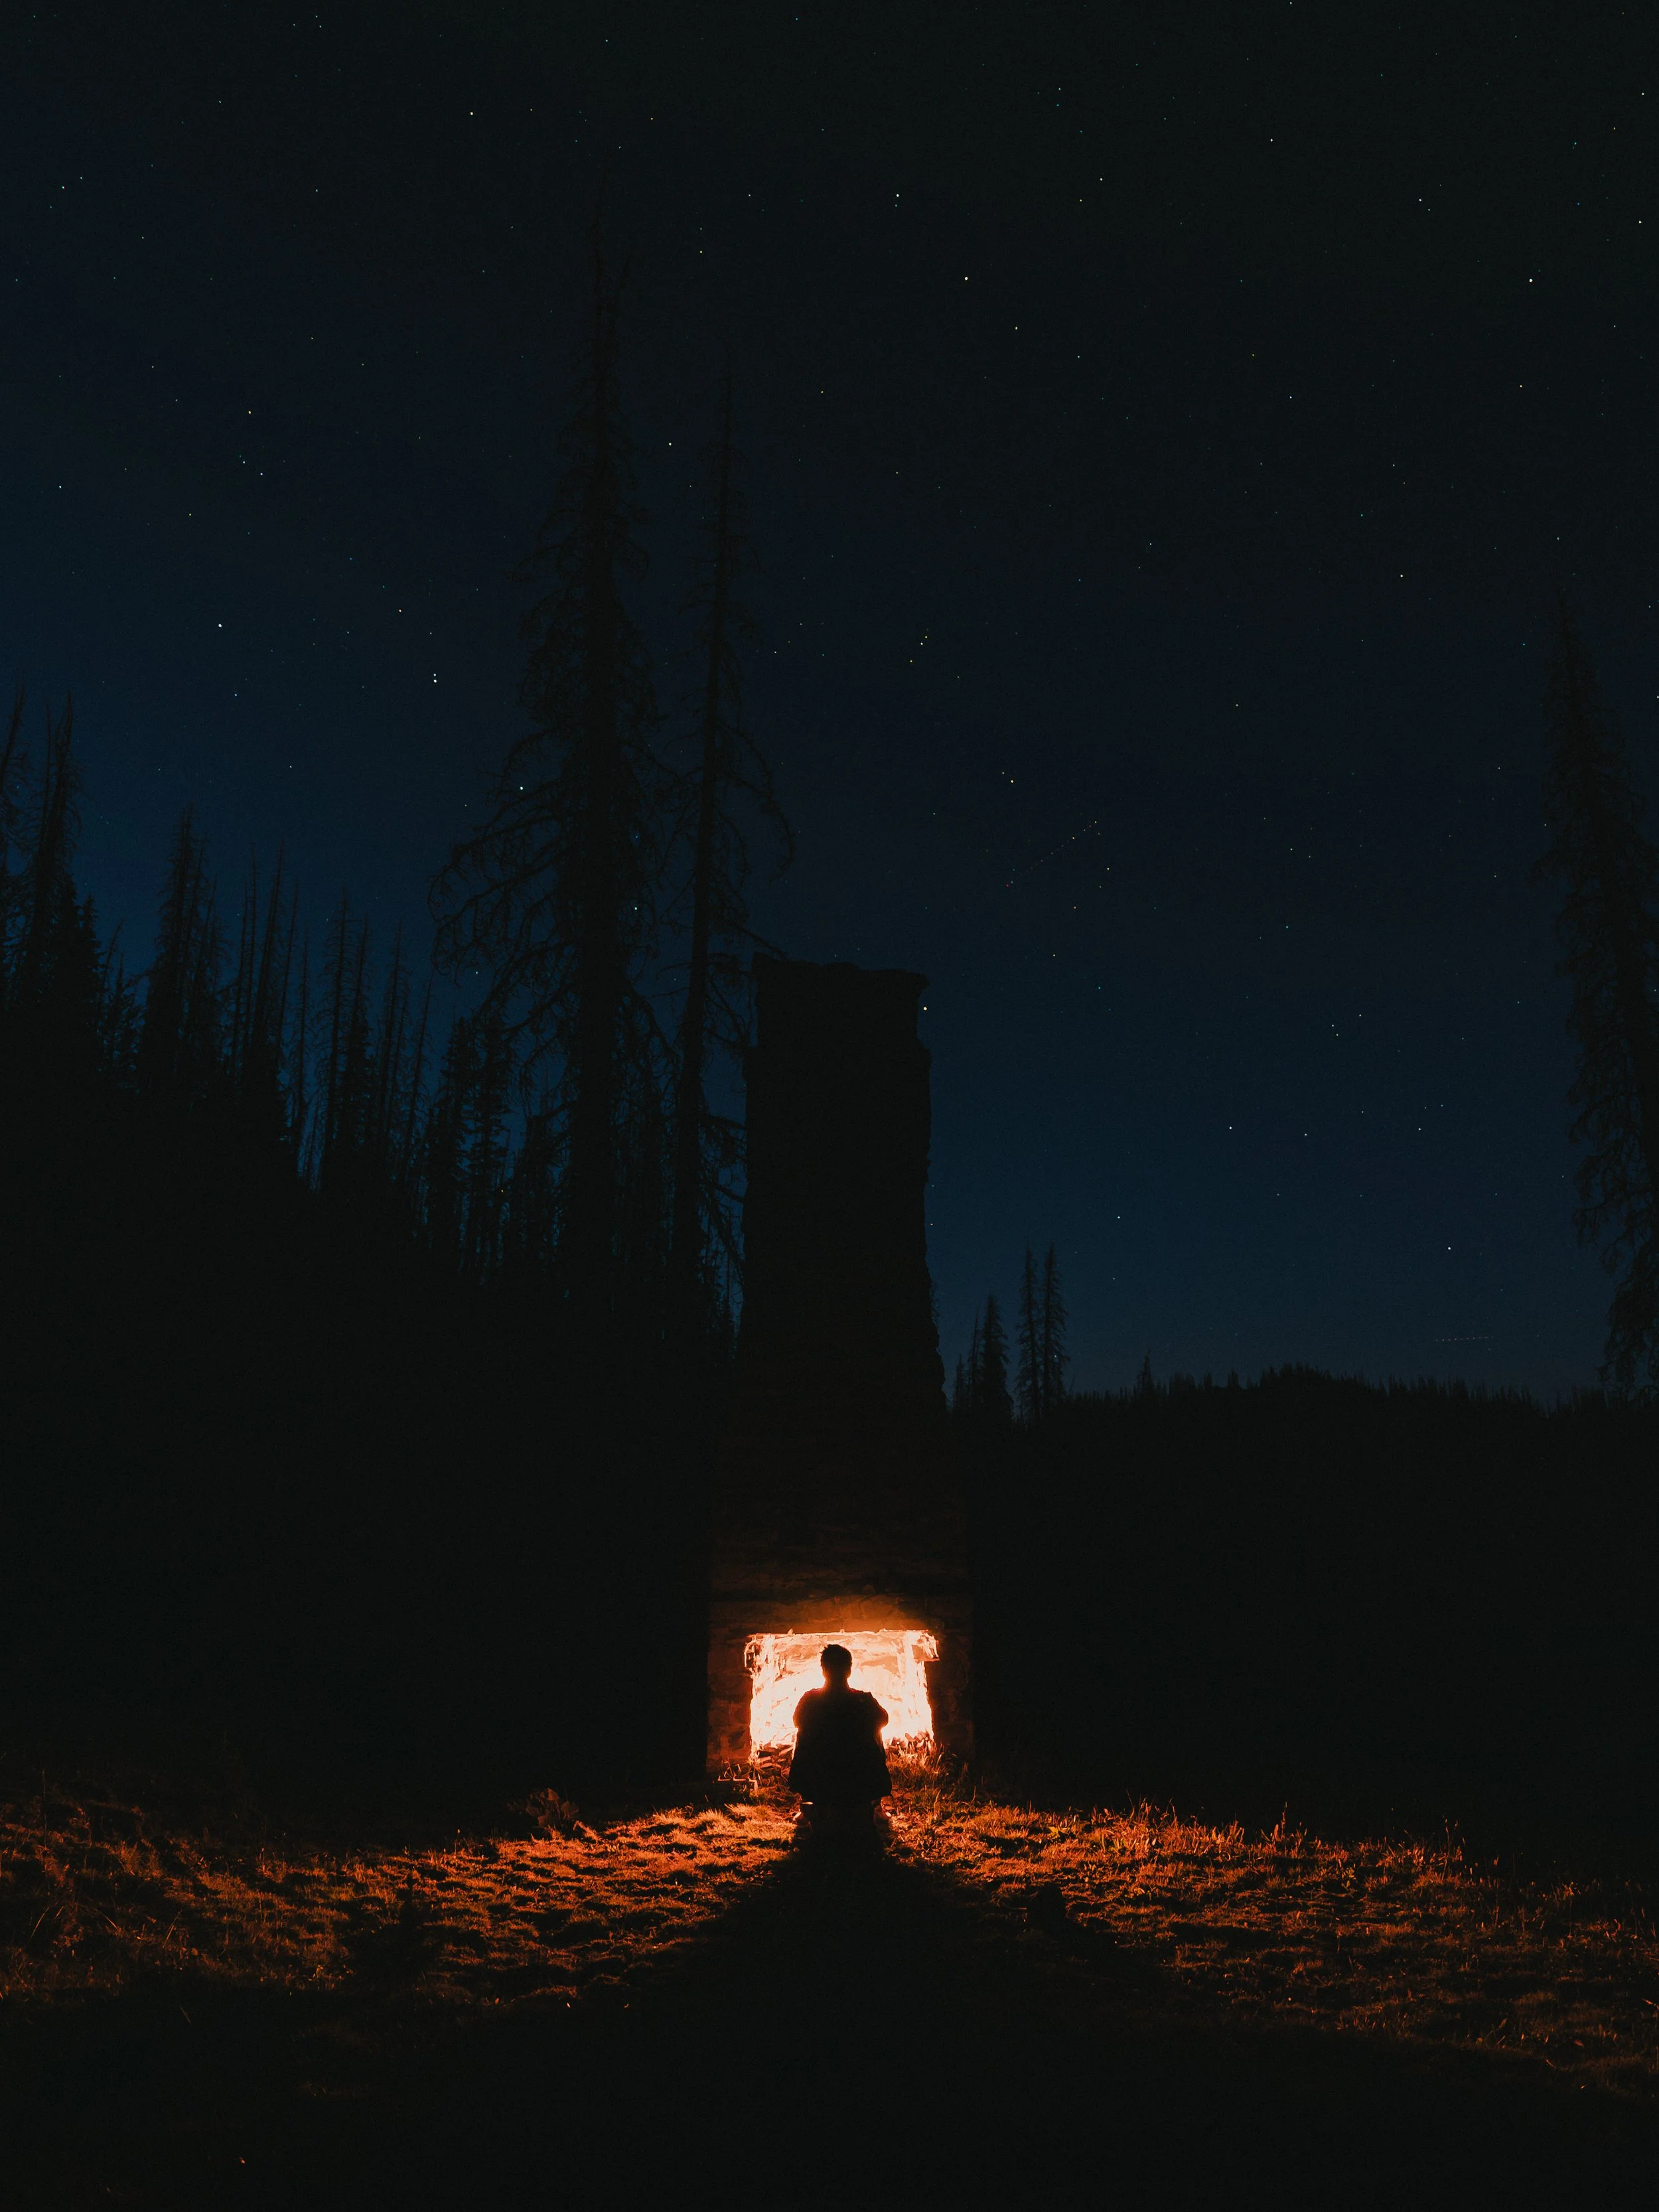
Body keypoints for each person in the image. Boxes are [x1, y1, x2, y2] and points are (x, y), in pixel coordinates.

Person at [788, 1644, 892, 1836]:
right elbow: (884, 1720)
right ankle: (874, 1804)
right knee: (875, 1728)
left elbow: (797, 1721)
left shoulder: (810, 1700)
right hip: (858, 1776)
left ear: (823, 1670)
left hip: (817, 1777)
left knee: (805, 1731)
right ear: (849, 1670)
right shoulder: (863, 1701)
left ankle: (808, 1803)